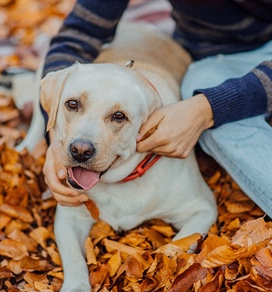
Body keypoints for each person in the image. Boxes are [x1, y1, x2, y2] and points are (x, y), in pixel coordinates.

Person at [41, 0, 272, 217]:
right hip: (216, 57)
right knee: (203, 90)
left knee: (215, 106)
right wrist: (56, 135)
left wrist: (208, 109)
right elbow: (79, 35)